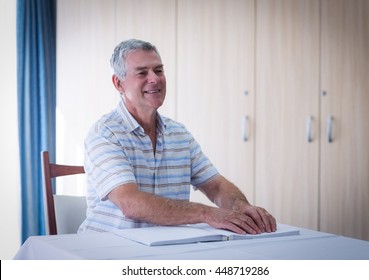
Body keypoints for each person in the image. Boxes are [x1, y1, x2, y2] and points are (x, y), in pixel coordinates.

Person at [78, 39, 276, 235]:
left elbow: (215, 185)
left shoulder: (179, 133)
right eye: (142, 72)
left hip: (166, 248)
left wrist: (241, 206)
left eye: (158, 70)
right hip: (109, 249)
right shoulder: (104, 133)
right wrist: (207, 214)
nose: (154, 79)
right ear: (118, 83)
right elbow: (131, 203)